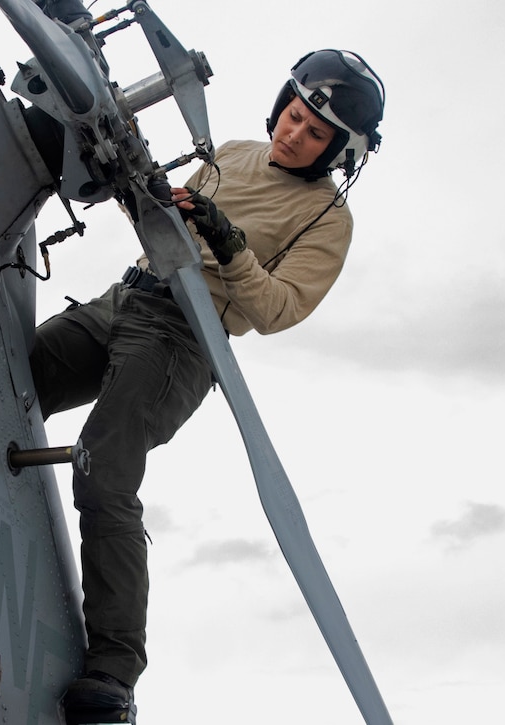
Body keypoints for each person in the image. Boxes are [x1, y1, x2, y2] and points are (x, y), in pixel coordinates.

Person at [28, 49, 386, 718]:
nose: (293, 133)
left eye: (313, 132)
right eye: (294, 113)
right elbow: (160, 222)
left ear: (338, 151)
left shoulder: (329, 221)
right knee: (11, 380)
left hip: (183, 337)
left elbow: (276, 308)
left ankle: (113, 671)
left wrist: (229, 243)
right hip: (124, 297)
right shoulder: (233, 151)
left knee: (101, 469)